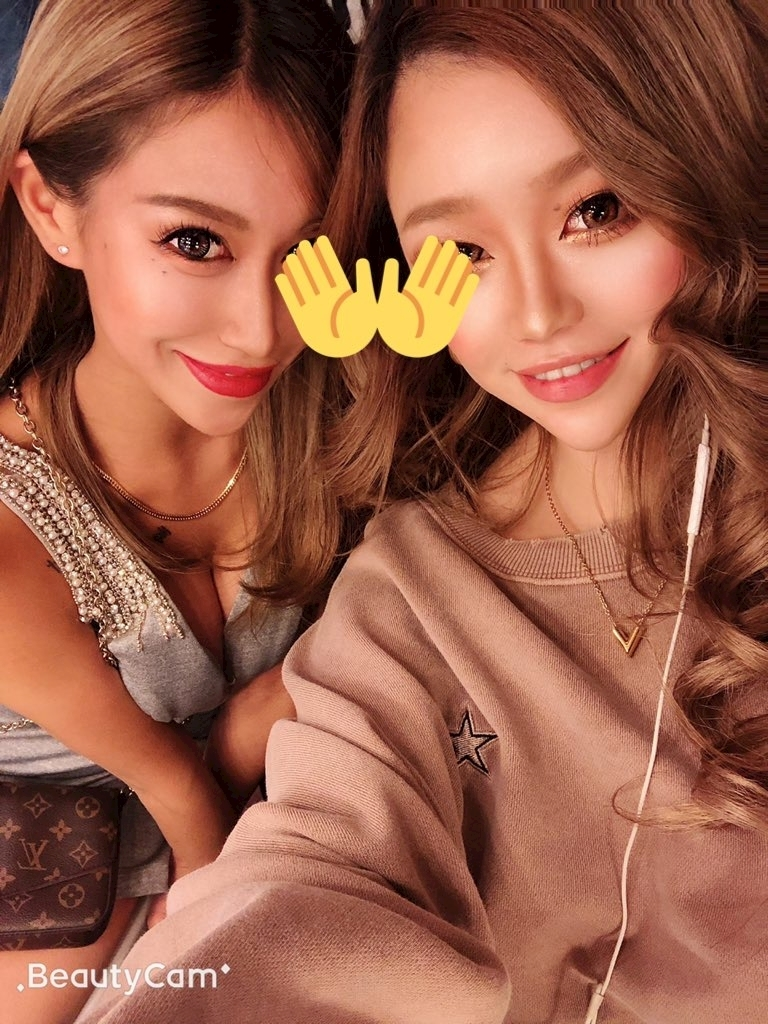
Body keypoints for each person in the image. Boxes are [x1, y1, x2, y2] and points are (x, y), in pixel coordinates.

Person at [81, 2, 767, 1023]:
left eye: (597, 210)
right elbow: (308, 875)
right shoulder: (413, 599)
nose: (538, 314)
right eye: (461, 255)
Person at [0, 0, 352, 1021]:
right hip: (60, 924)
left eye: (308, 255)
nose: (261, 329)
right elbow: (190, 802)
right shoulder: (13, 530)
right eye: (195, 241)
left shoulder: (349, 426)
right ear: (50, 207)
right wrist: (241, 740)